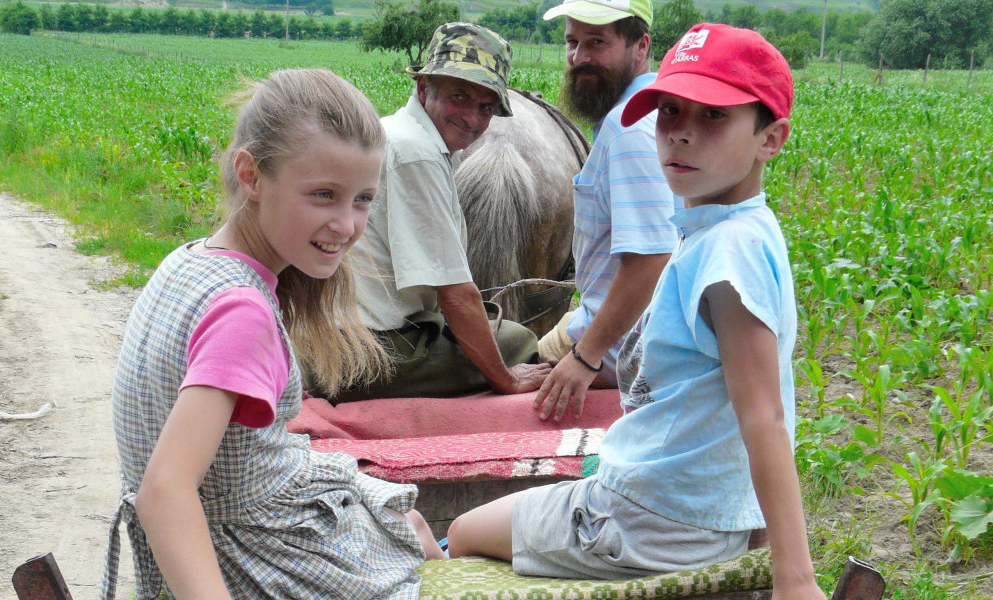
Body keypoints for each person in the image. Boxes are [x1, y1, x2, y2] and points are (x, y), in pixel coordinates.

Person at [447, 24, 827, 600]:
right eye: (670, 111)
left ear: (770, 139)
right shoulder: (734, 231)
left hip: (648, 519)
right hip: (678, 505)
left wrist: (793, 577)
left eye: (714, 117)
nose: (681, 135)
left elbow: (764, 416)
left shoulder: (725, 256)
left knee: (461, 530)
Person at [101, 68, 443, 600]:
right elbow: (165, 490)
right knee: (413, 547)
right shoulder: (243, 312)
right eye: (324, 195)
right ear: (252, 176)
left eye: (363, 199)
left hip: (251, 523)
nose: (348, 225)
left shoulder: (189, 262)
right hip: (257, 555)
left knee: (408, 523)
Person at [324, 22, 551, 403]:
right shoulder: (417, 154)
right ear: (423, 87)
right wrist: (506, 379)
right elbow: (456, 296)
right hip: (368, 351)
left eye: (486, 107)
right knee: (520, 341)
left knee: (493, 326)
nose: (474, 120)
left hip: (349, 333)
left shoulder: (396, 133)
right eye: (459, 97)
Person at [532, 0, 679, 422]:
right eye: (572, 42)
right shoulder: (649, 114)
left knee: (501, 366)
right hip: (621, 327)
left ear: (641, 45)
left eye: (597, 42)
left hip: (620, 348)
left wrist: (585, 357)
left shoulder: (627, 129)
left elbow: (652, 257)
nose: (579, 58)